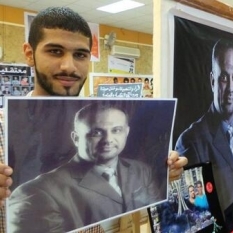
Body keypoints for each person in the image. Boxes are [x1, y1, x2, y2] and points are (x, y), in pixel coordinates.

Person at [0, 6, 187, 233]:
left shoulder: (136, 167)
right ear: (29, 53)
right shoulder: (4, 131)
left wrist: (164, 173)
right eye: (55, 51)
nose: (69, 66)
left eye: (80, 55)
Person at [8, 102, 163, 232]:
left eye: (116, 130)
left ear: (127, 132)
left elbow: (156, 216)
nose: (108, 140)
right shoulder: (36, 192)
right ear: (76, 138)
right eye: (96, 132)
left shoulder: (141, 170)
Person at [175, 39, 233, 212]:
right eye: (223, 78)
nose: (230, 88)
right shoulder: (191, 140)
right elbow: (191, 210)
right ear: (213, 81)